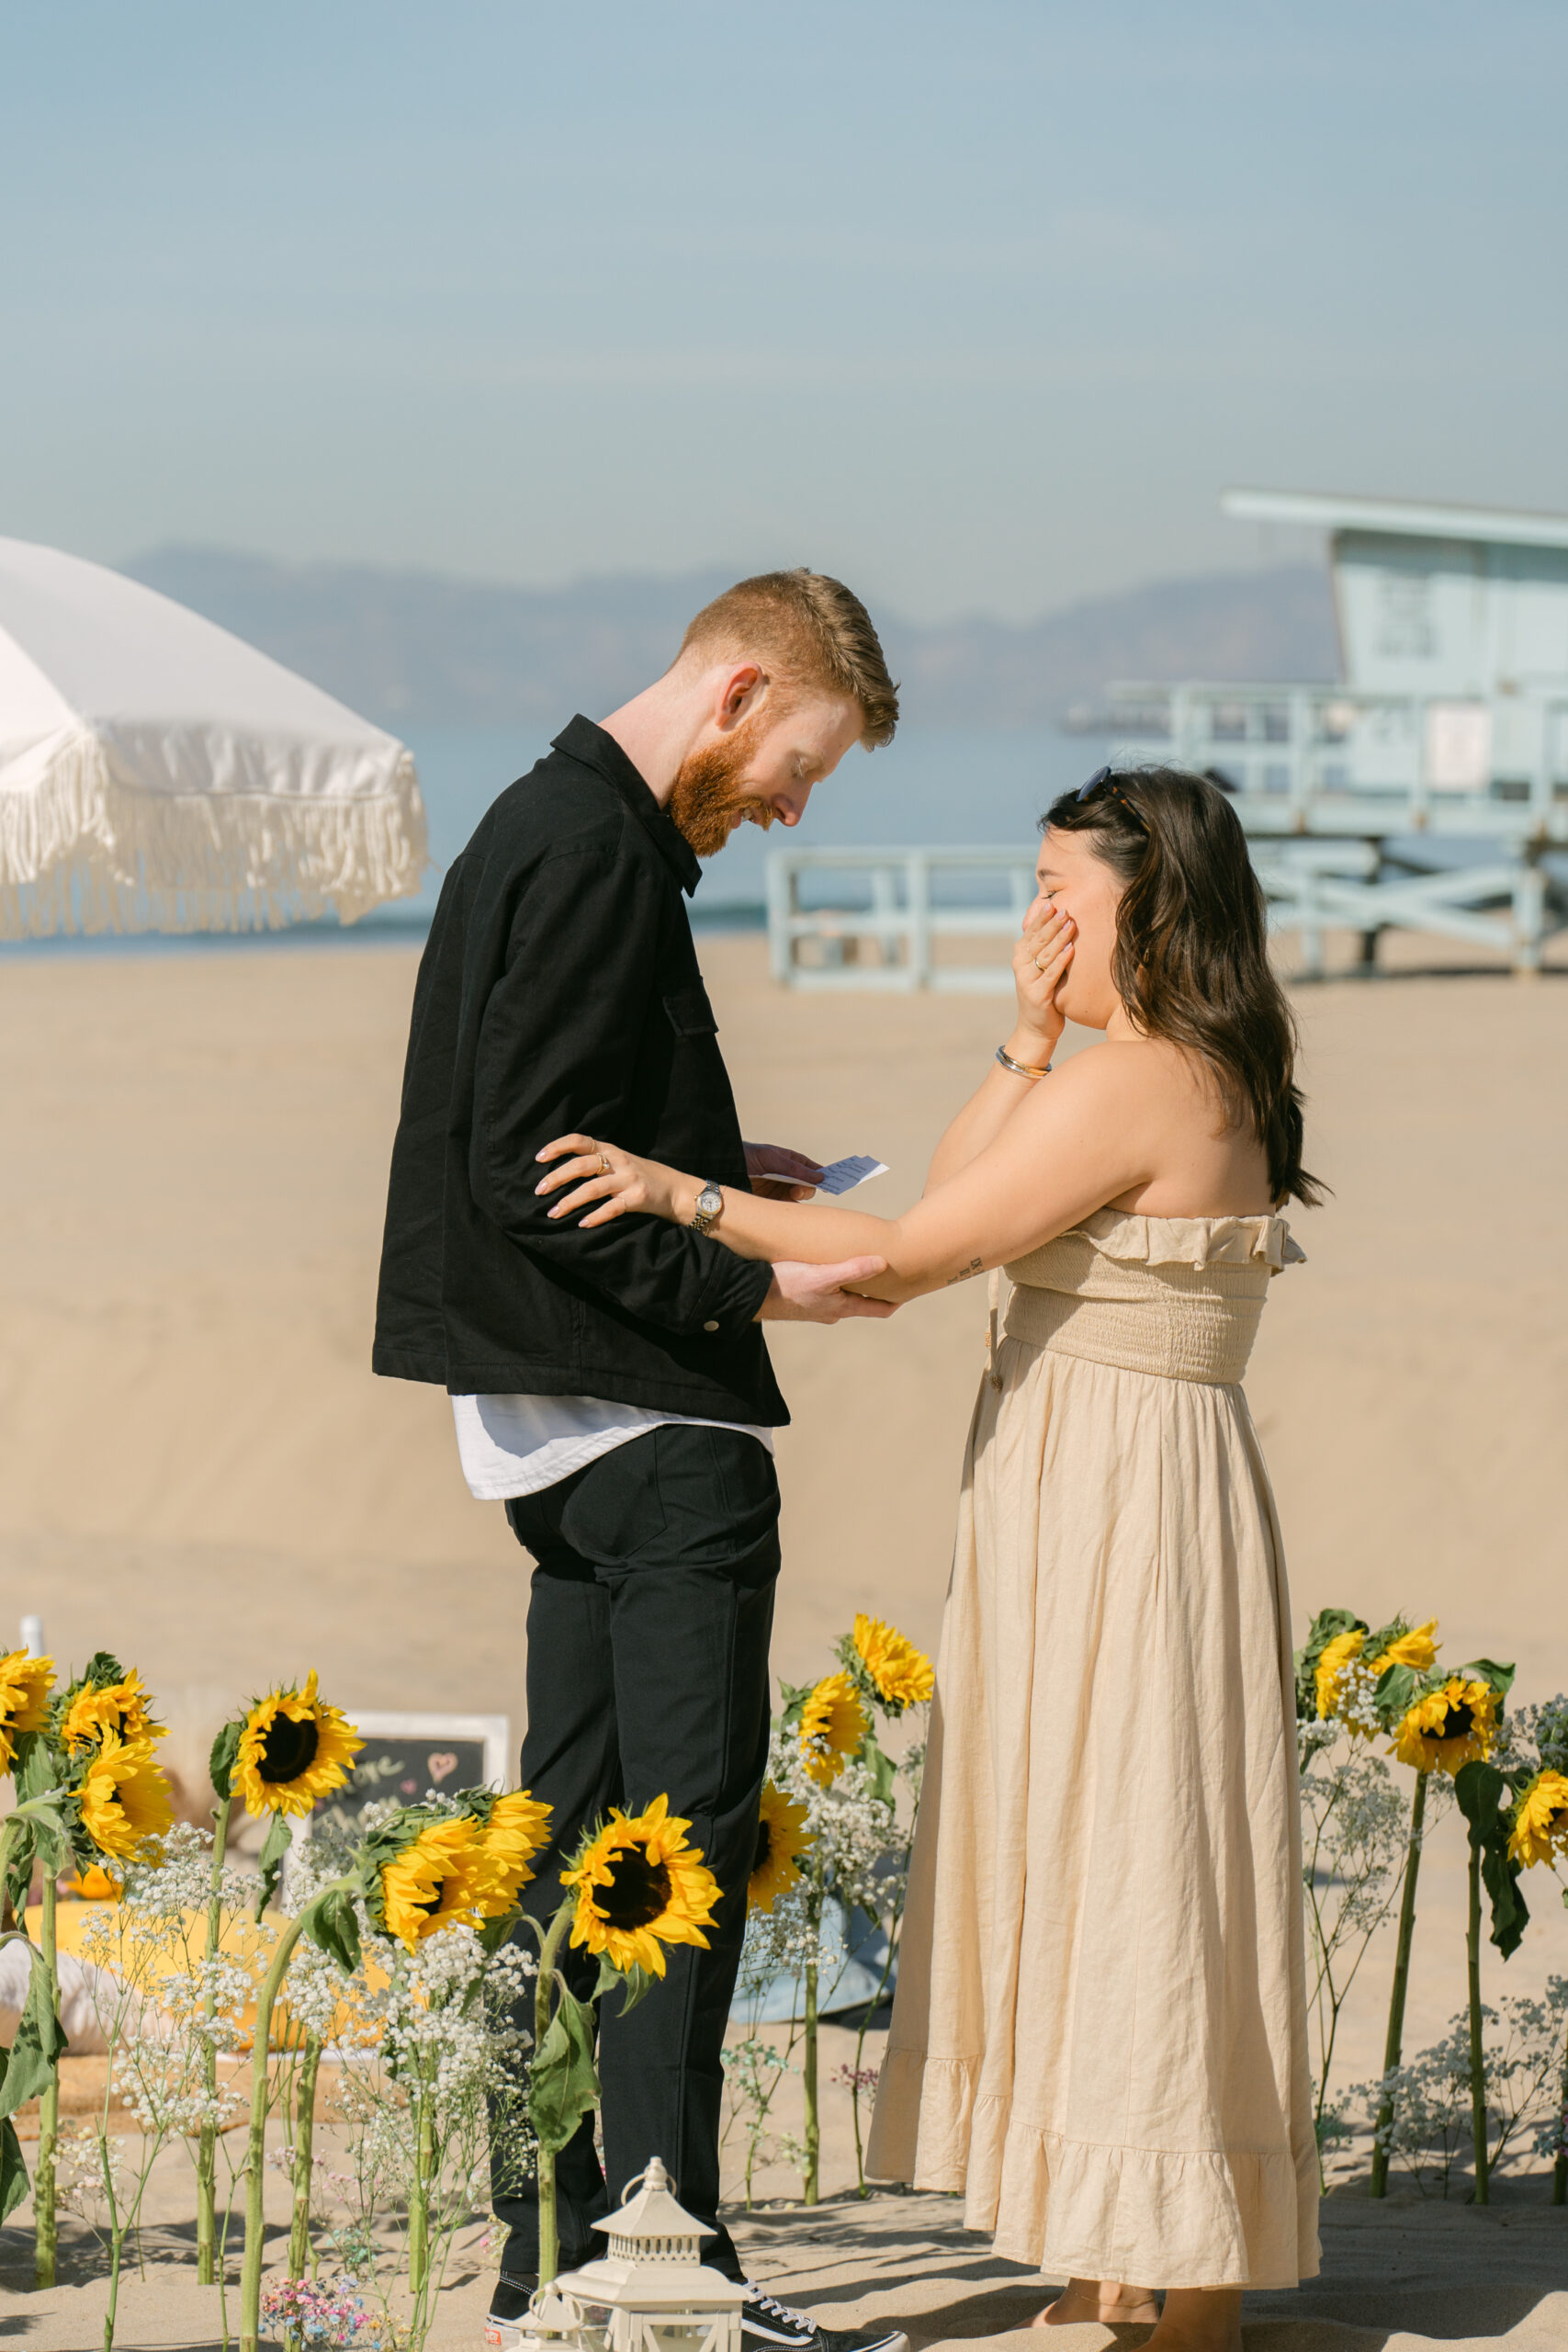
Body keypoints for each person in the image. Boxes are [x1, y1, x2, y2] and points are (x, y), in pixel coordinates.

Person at [534, 766, 1322, 2352]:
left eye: (1062, 898)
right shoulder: (1132, 1065)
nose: (1035, 924)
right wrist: (1023, 1039)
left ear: (1150, 904)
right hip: (1097, 1484)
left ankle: (1184, 2290)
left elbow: (912, 1252)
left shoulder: (1155, 1075)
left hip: (1124, 1499)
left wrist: (677, 1194)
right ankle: (1124, 2258)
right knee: (1103, 1845)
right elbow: (963, 1197)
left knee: (1140, 1849)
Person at [372, 570, 909, 2352]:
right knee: (671, 1853)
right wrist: (766, 1278)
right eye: (799, 764)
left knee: (566, 1848)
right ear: (740, 686)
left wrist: (705, 1151)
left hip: (548, 1435)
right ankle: (671, 2272)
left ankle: (556, 2259)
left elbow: (543, 1120)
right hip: (654, 1433)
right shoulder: (595, 849)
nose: (790, 803)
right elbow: (532, 1163)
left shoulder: (537, 826)